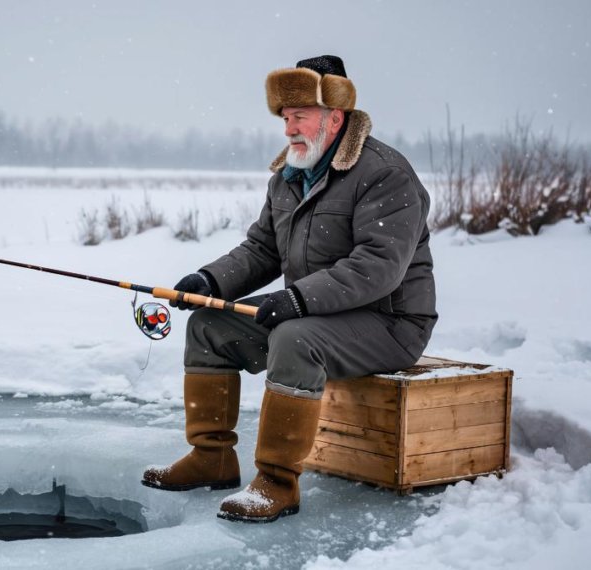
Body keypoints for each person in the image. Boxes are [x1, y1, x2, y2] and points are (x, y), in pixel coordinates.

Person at [141, 55, 438, 523]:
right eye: (285, 117)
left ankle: (276, 484)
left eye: (298, 116)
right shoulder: (288, 176)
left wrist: (297, 300)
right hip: (319, 313)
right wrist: (208, 280)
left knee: (294, 339)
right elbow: (262, 249)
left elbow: (379, 266)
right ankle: (212, 457)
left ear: (334, 117)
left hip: (390, 322)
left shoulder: (384, 172)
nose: (288, 129)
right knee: (209, 327)